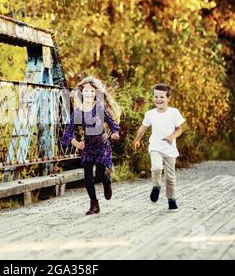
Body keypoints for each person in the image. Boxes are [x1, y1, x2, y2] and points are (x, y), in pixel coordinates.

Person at [61, 76, 121, 215]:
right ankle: (94, 205)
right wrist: (77, 143)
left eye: (92, 91)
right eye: (86, 91)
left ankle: (107, 181)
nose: (89, 93)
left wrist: (115, 134)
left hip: (102, 146)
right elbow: (67, 134)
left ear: (95, 93)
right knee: (87, 177)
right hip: (88, 147)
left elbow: (113, 125)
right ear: (81, 92)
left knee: (99, 175)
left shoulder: (99, 107)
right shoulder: (77, 112)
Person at [133, 83, 185, 211]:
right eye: (156, 96)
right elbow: (143, 128)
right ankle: (156, 186)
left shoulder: (174, 112)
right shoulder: (150, 114)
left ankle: (171, 199)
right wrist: (137, 140)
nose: (158, 99)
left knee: (170, 177)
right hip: (155, 147)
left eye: (162, 97)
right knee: (156, 167)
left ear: (168, 98)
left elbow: (180, 129)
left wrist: (172, 137)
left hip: (170, 149)